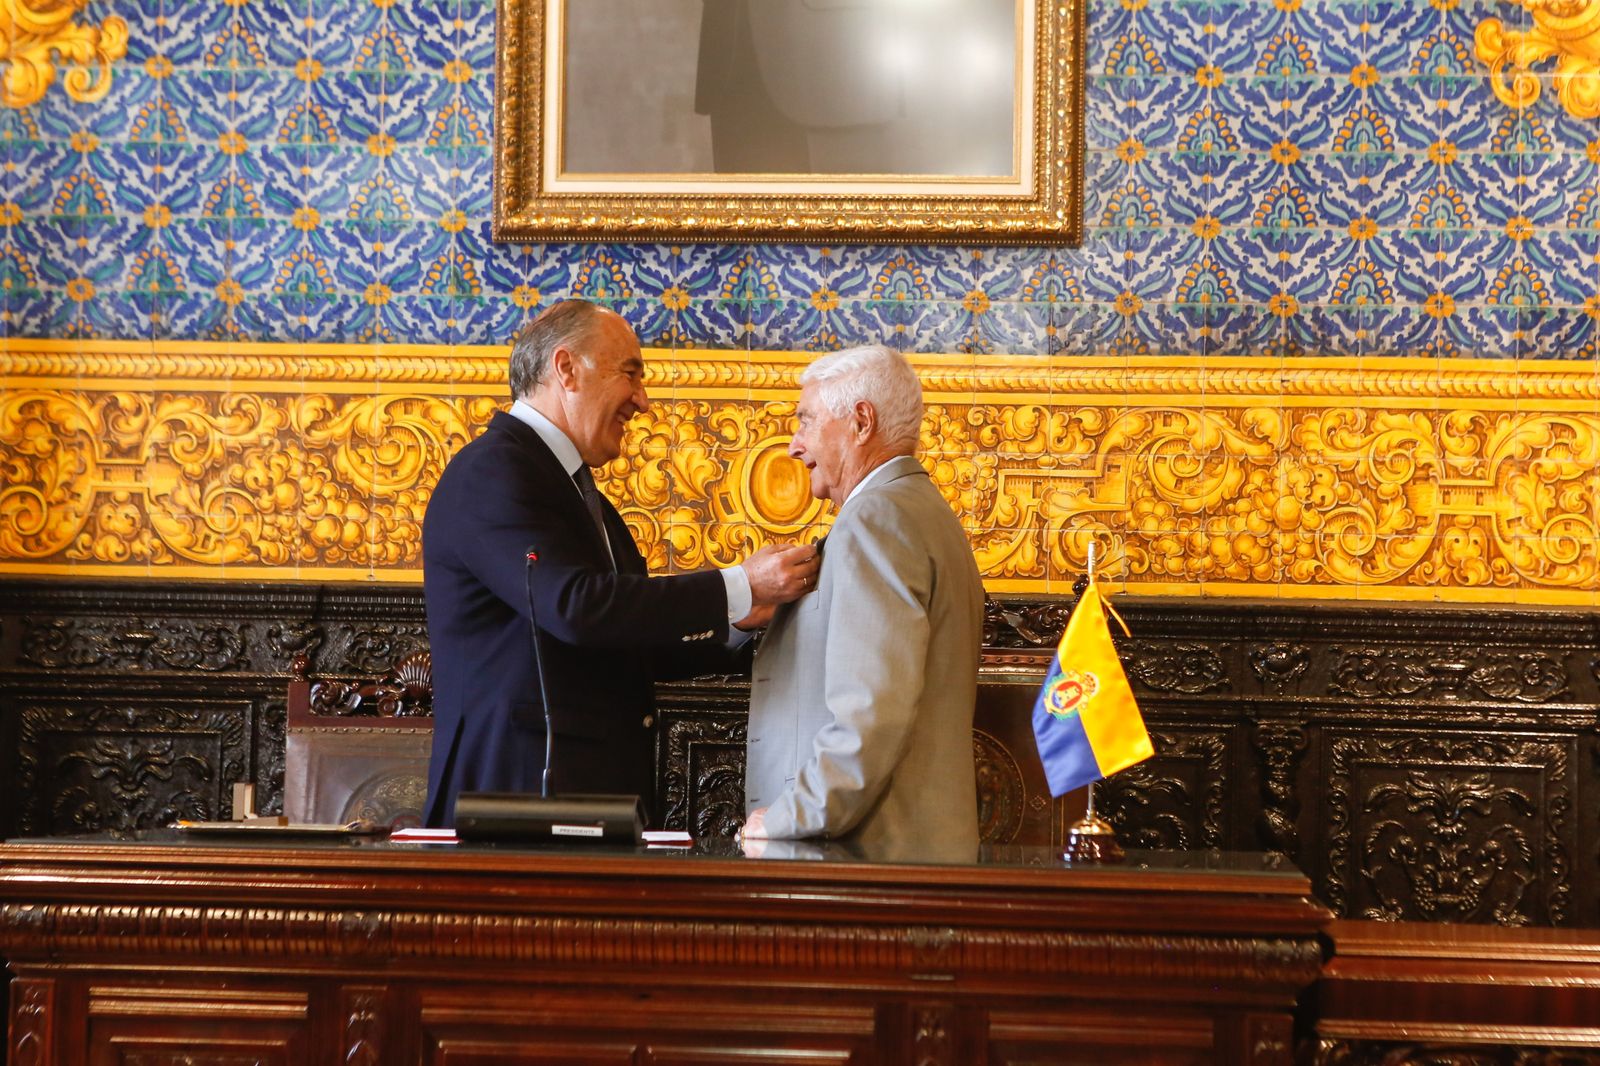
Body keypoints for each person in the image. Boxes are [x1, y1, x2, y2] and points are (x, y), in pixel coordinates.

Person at [422, 300, 819, 827]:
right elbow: (577, 607)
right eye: (630, 375)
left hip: (584, 798)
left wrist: (736, 622)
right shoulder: (492, 471)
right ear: (566, 369)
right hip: (512, 801)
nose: (643, 401)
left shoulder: (580, 494)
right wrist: (740, 585)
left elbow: (623, 639)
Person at [741, 345, 984, 854]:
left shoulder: (874, 520)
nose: (793, 446)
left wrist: (789, 815)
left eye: (805, 421)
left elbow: (870, 715)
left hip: (870, 859)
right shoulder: (920, 509)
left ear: (860, 422)